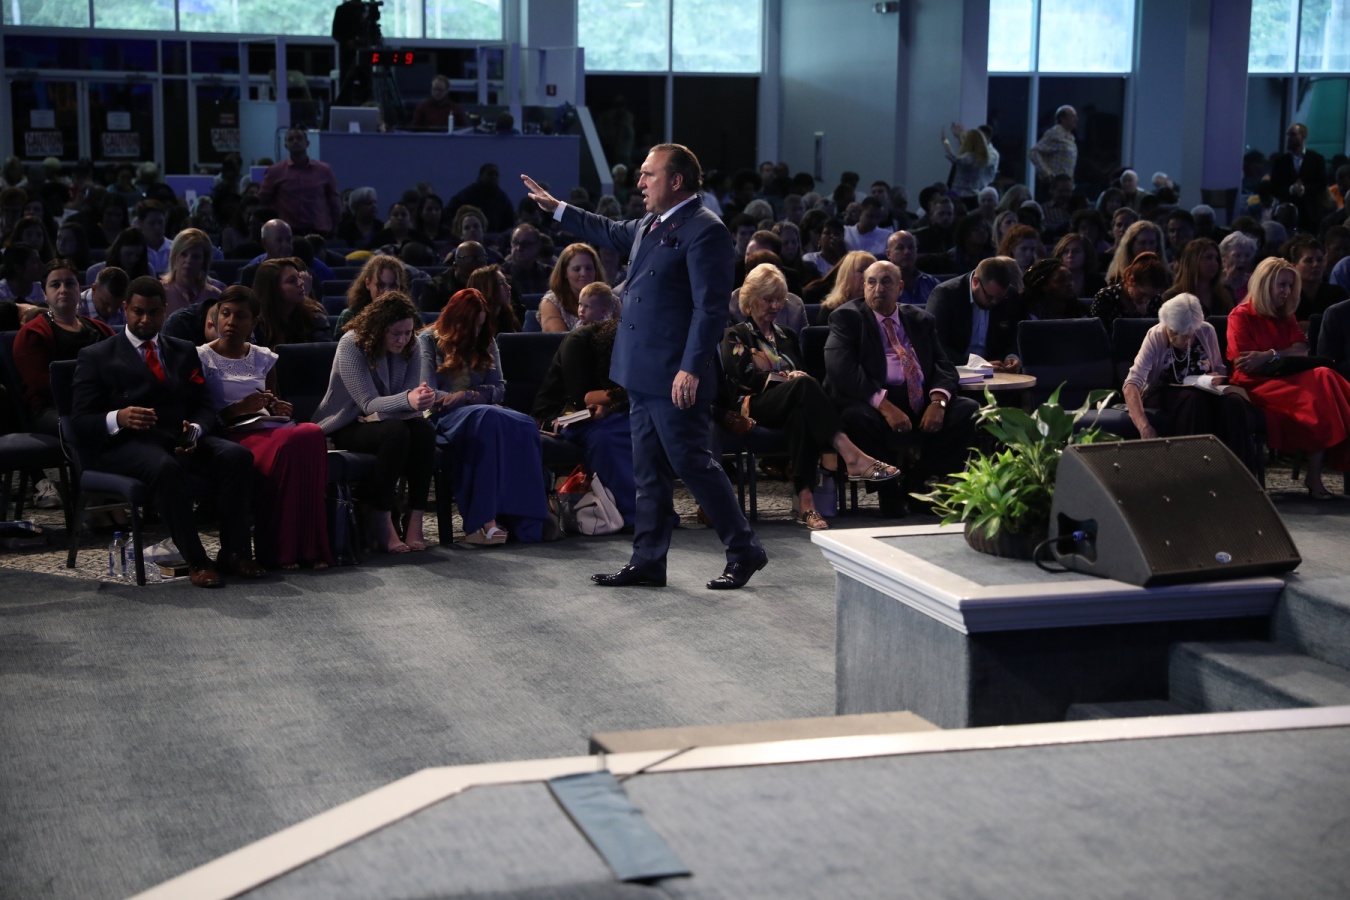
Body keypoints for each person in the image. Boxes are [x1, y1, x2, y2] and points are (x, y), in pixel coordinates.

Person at [523, 142, 768, 590]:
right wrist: (557, 208)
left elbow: (710, 309)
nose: (640, 183)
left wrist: (691, 367)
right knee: (648, 474)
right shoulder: (650, 225)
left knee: (693, 465)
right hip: (639, 371)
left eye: (648, 175)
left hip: (675, 375)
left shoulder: (705, 229)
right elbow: (605, 228)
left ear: (676, 181)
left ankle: (744, 549)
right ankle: (648, 560)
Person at [70, 276, 262, 587]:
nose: (145, 319)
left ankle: (235, 552)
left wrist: (195, 430)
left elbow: (203, 405)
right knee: (166, 468)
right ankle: (197, 561)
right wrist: (119, 417)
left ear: (165, 311)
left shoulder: (183, 351)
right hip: (125, 445)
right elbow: (80, 422)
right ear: (125, 309)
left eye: (153, 312)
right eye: (138, 312)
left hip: (178, 437)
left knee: (237, 457)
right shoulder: (97, 356)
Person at [722, 264, 901, 531]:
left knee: (802, 414)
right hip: (752, 405)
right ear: (750, 299)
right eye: (768, 299)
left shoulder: (787, 335)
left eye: (779, 300)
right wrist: (787, 378)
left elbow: (800, 372)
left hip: (790, 403)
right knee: (804, 386)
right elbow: (745, 376)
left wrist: (793, 378)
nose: (775, 306)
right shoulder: (736, 334)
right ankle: (851, 455)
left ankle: (806, 503)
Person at [824, 259, 978, 517]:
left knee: (968, 410)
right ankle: (888, 490)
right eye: (871, 282)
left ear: (900, 287)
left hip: (919, 397)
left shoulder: (921, 319)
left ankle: (916, 480)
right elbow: (842, 371)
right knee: (856, 417)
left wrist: (938, 402)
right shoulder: (847, 318)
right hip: (871, 398)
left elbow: (944, 365)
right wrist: (885, 407)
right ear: (864, 287)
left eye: (886, 282)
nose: (878, 288)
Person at [196, 287, 332, 569]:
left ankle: (308, 547)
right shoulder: (201, 357)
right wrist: (237, 408)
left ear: (253, 321)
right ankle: (278, 552)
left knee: (312, 433)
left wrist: (277, 407)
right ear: (216, 316)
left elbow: (270, 400)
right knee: (293, 442)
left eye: (240, 316)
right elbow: (201, 413)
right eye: (225, 314)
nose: (231, 321)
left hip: (266, 428)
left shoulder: (264, 357)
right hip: (230, 434)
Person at [418, 288, 550, 545]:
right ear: (455, 320)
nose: (476, 332)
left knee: (525, 423)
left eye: (480, 326)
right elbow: (429, 393)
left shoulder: (485, 341)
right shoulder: (428, 340)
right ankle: (483, 521)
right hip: (441, 416)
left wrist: (466, 395)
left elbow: (499, 389)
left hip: (479, 410)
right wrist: (473, 396)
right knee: (488, 417)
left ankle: (526, 521)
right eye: (471, 326)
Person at [311, 291, 437, 551]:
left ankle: (415, 518)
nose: (403, 339)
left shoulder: (413, 344)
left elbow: (405, 399)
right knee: (396, 433)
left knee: (424, 431)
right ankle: (380, 515)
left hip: (387, 418)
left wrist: (420, 399)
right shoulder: (352, 343)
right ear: (379, 328)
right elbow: (367, 403)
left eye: (408, 332)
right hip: (346, 422)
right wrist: (409, 399)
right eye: (395, 333)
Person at [1229, 257, 1350, 498]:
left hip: (1285, 376)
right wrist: (1276, 355)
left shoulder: (1286, 315)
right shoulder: (1240, 315)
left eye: (1290, 286)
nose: (1287, 291)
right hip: (1254, 383)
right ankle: (1314, 476)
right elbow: (1245, 362)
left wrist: (1268, 355)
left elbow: (1301, 350)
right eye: (1282, 285)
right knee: (1324, 382)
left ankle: (1314, 475)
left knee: (1324, 380)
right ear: (1265, 284)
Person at [533, 283, 637, 528]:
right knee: (607, 436)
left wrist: (612, 403)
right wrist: (626, 394)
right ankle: (628, 513)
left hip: (602, 412)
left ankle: (652, 510)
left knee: (635, 426)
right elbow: (582, 398)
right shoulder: (577, 341)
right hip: (562, 414)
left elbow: (609, 396)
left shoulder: (621, 339)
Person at [1122, 294, 1258, 474]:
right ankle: (1192, 472)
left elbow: (1219, 368)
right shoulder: (1155, 336)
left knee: (1234, 403)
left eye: (1187, 335)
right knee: (1193, 399)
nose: (1179, 339)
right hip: (1163, 392)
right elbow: (1131, 383)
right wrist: (1144, 427)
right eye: (1174, 332)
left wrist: (1216, 377)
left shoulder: (1206, 331)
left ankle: (1239, 474)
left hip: (1204, 389)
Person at [14, 259, 115, 434]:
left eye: (69, 283)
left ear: (79, 289)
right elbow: (41, 385)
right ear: (45, 294)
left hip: (100, 401)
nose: (63, 290)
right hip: (53, 409)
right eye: (55, 285)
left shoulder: (101, 329)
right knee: (86, 424)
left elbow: (121, 366)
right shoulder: (33, 333)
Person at [925, 256, 1026, 370]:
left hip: (997, 371)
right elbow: (935, 344)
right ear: (975, 282)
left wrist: (1011, 356)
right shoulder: (945, 295)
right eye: (989, 297)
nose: (994, 302)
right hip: (955, 370)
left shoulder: (1010, 296)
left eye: (999, 299)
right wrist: (973, 365)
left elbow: (1013, 337)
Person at [258, 128, 344, 237]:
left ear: (307, 143)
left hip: (319, 230)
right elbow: (263, 199)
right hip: (289, 232)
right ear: (286, 146)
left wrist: (336, 224)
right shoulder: (275, 171)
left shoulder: (324, 170)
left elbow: (334, 199)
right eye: (291, 139)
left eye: (299, 138)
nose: (295, 141)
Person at [254, 257, 330, 346]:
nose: (301, 282)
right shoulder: (254, 322)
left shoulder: (315, 315)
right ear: (272, 290)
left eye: (299, 277)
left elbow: (324, 351)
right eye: (291, 281)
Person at [1269, 123, 1328, 232]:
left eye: (1293, 134)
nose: (1288, 138)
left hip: (1311, 214)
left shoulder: (1317, 159)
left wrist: (1304, 189)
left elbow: (1322, 184)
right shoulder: (1280, 162)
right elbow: (1273, 187)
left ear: (1303, 136)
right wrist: (1291, 189)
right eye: (1287, 135)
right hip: (1285, 214)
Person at [1090, 252, 1169, 333]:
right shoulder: (1105, 297)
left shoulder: (1156, 300)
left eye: (1151, 296)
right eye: (1142, 294)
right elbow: (1097, 334)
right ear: (1130, 280)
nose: (1146, 300)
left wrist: (1143, 316)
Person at [334, 254, 408, 336]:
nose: (387, 292)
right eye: (380, 286)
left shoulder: (409, 316)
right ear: (368, 284)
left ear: (400, 287)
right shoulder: (349, 316)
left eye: (393, 286)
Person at [539, 243, 605, 332]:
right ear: (565, 273)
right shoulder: (551, 302)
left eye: (589, 268)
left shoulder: (610, 299)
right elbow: (557, 338)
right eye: (577, 269)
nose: (584, 274)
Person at [1283, 234, 1348, 320]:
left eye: (1320, 260)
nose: (1316, 264)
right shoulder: (1286, 295)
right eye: (1308, 261)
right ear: (1294, 266)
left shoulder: (1337, 294)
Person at [1162, 238, 1233, 314]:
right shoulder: (1172, 297)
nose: (1214, 263)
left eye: (1216, 259)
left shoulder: (1224, 295)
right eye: (1208, 257)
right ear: (1193, 261)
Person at [160, 228, 220, 315]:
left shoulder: (214, 295)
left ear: (204, 261)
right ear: (174, 257)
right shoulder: (159, 292)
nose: (188, 261)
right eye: (183, 254)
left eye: (195, 257)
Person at [449, 164, 515, 234]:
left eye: (496, 175)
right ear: (481, 175)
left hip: (495, 236)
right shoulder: (469, 194)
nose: (493, 177)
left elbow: (509, 222)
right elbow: (450, 212)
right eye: (490, 174)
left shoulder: (502, 199)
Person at [814, 250, 876, 324]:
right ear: (846, 276)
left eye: (871, 272)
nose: (867, 276)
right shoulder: (830, 310)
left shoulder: (881, 309)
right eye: (861, 271)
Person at [1029, 105, 1078, 191]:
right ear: (1062, 119)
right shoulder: (1055, 133)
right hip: (1054, 187)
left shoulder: (1070, 137)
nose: (1076, 119)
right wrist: (1046, 174)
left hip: (1065, 186)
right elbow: (1034, 152)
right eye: (1073, 116)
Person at [886, 230, 940, 306]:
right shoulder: (881, 286)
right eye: (900, 248)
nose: (907, 252)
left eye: (911, 247)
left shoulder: (932, 283)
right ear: (888, 254)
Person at [1105, 219, 1167, 284]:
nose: (1147, 247)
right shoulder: (1117, 278)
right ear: (1131, 245)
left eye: (1152, 243)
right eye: (1142, 243)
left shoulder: (1165, 276)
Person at [465, 264, 520, 335]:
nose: (509, 287)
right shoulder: (472, 324)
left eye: (506, 282)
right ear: (486, 288)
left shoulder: (508, 316)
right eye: (501, 283)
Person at [941, 125, 997, 194]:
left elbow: (954, 157)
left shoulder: (972, 157)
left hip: (964, 193)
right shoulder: (980, 156)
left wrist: (945, 141)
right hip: (974, 193)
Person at [500, 223, 552, 297]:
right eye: (515, 242)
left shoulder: (549, 274)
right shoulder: (501, 273)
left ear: (537, 246)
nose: (519, 248)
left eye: (526, 244)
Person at [1053, 232, 1104, 299]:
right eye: (1066, 251)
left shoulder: (1097, 281)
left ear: (1086, 254)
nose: (1070, 255)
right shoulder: (1053, 281)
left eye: (1076, 251)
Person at [79, 265, 129, 330]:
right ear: (94, 289)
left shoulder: (128, 307)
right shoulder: (74, 308)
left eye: (117, 306)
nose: (111, 311)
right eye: (106, 304)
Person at [1219, 231, 1259, 306]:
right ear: (1224, 258)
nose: (1243, 260)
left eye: (1247, 256)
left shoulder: (1254, 283)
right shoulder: (1214, 281)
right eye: (1237, 255)